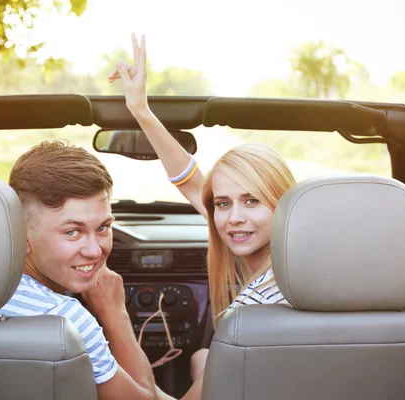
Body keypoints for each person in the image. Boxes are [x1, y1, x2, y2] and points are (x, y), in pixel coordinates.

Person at [108, 34, 297, 399]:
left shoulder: (250, 314)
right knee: (202, 356)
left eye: (252, 201)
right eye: (223, 204)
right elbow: (196, 186)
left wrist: (112, 321)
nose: (232, 219)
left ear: (283, 204)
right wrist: (141, 110)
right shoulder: (316, 272)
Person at [3, 140, 158, 400]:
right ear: (22, 235)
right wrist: (114, 313)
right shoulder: (66, 321)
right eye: (72, 232)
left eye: (102, 228)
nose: (95, 251)